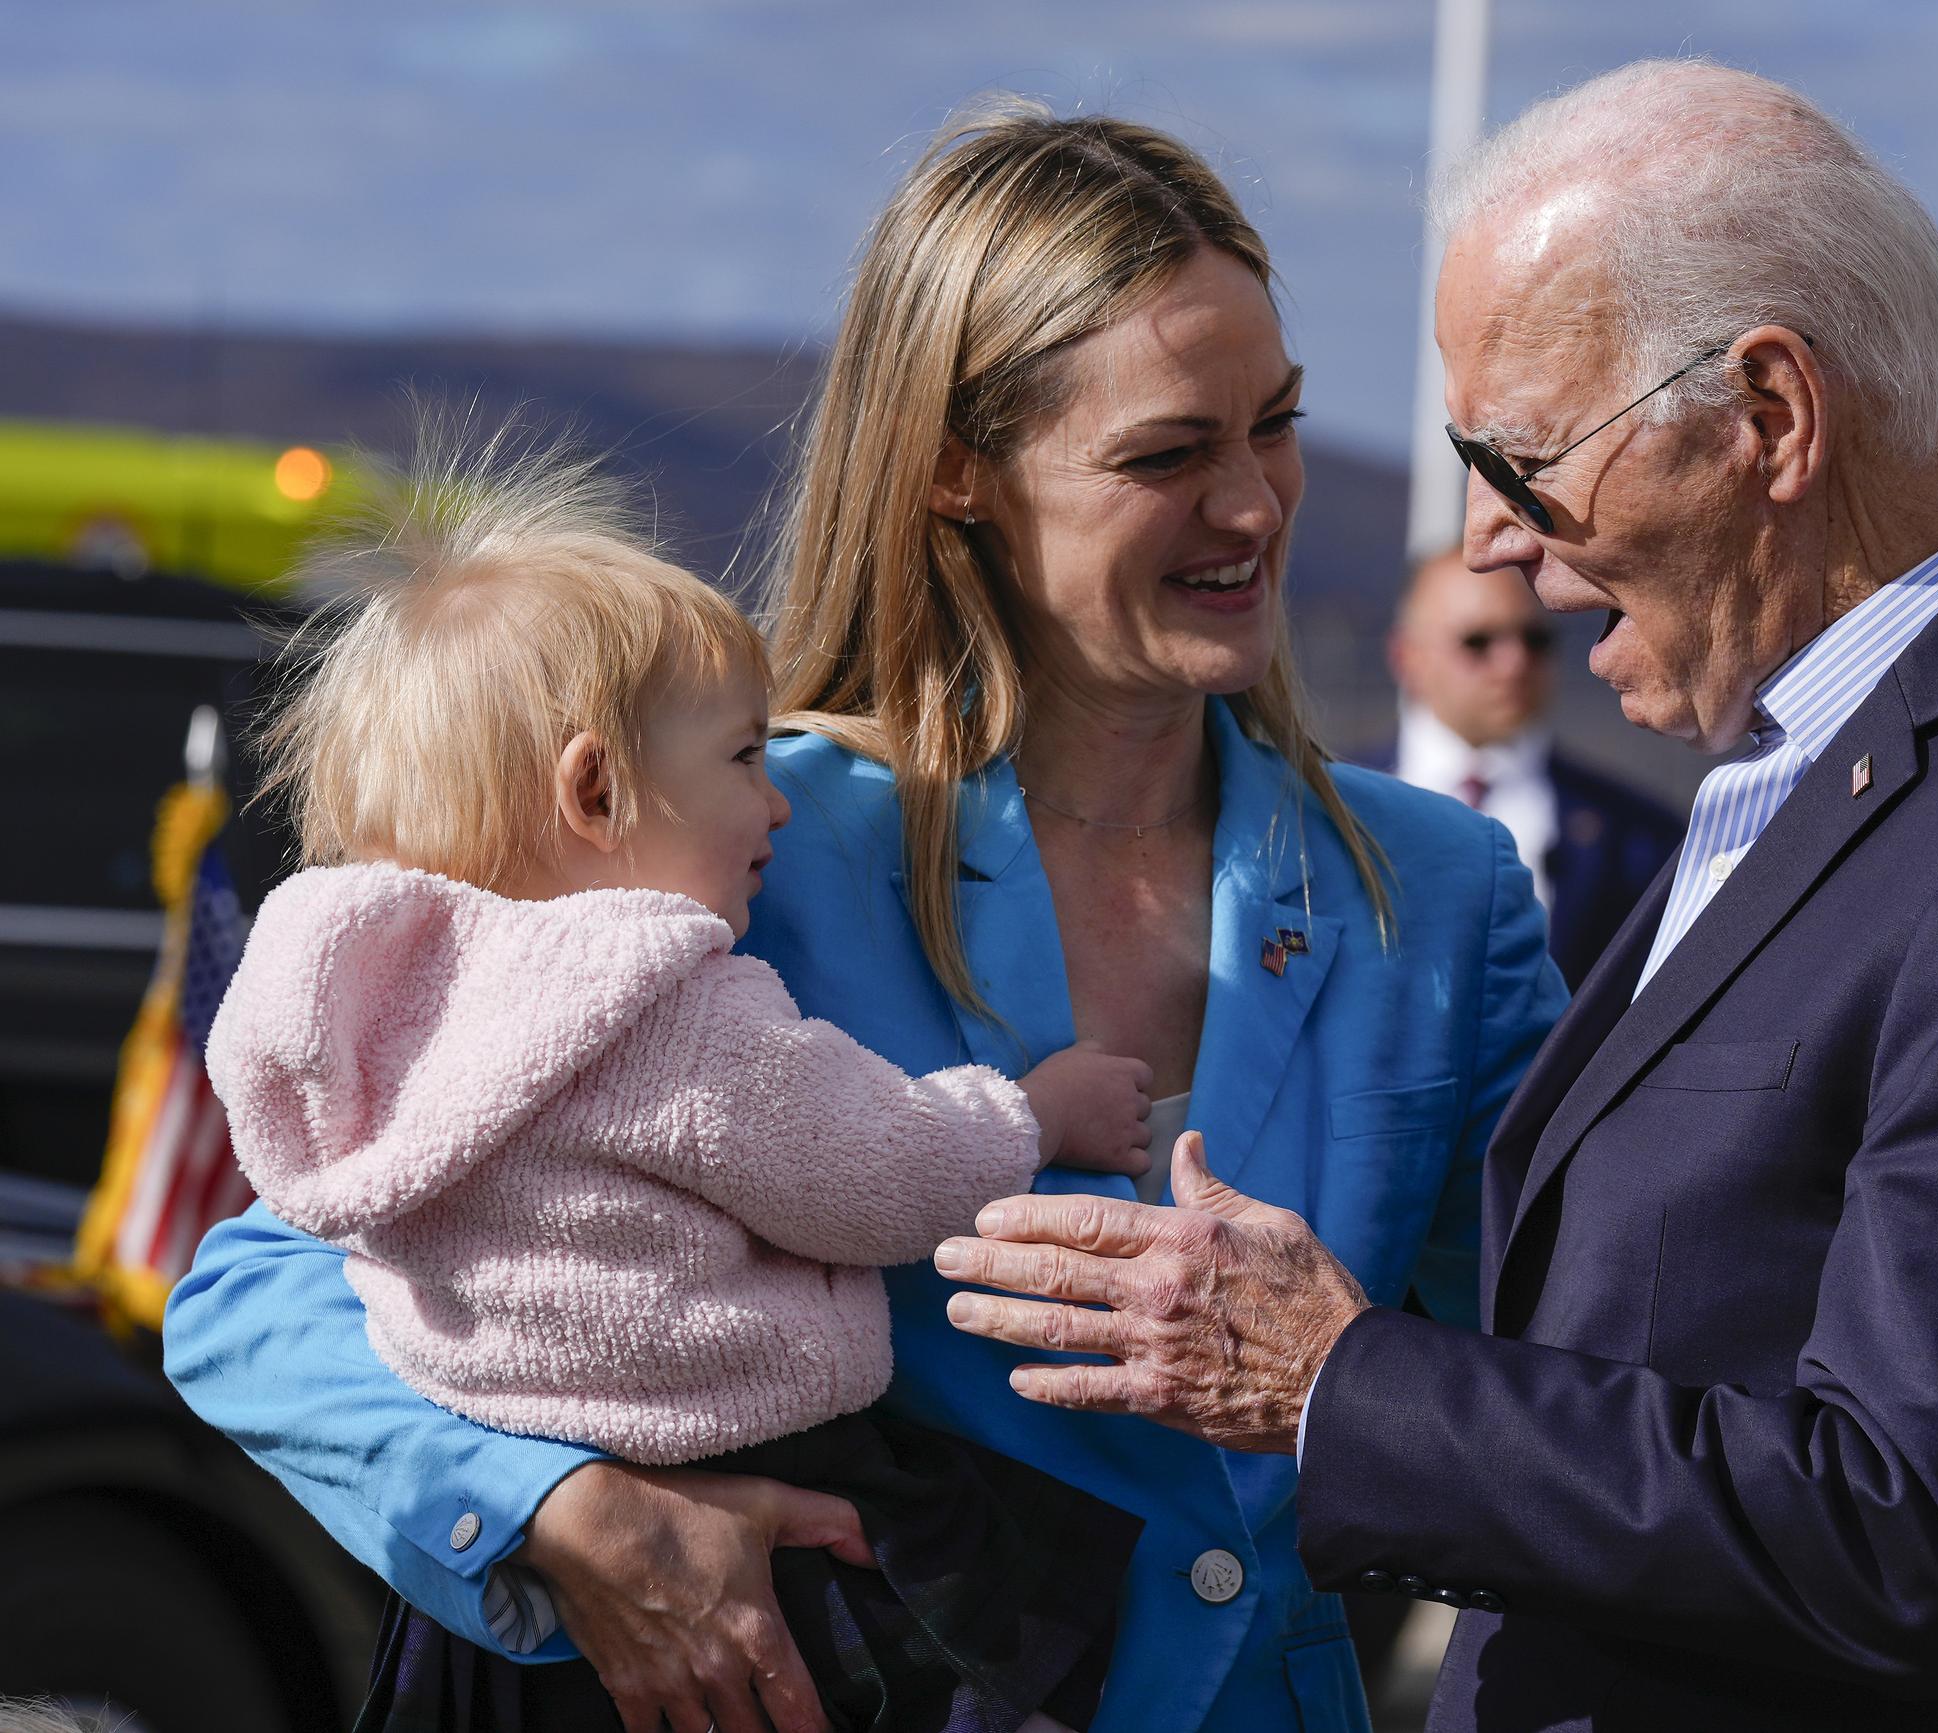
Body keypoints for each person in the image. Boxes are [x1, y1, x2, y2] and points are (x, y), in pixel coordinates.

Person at [938, 60, 1938, 1731]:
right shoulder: (1827, 761)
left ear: (1768, 420)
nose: (1490, 539)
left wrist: (1331, 1377)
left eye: (1523, 457)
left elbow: (1905, 1532)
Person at [162, 104, 1567, 1733]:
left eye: (1278, 424)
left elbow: (1541, 1382)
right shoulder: (744, 850)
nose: (1253, 505)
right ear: (955, 470)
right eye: (1167, 453)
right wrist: (558, 1509)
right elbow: (260, 1292)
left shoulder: (1440, 888)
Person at [208, 440, 1149, 1732]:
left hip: (496, 1609)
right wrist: (1031, 1111)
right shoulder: (665, 1011)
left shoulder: (375, 1015)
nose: (775, 803)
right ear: (594, 787)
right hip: (764, 1505)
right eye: (744, 758)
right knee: (1026, 1602)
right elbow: (869, 1177)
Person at [1376, 548, 1682, 987]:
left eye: (1534, 640)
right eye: (1478, 642)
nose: (1513, 663)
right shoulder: (1322, 806)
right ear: (1407, 657)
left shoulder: (1640, 838)